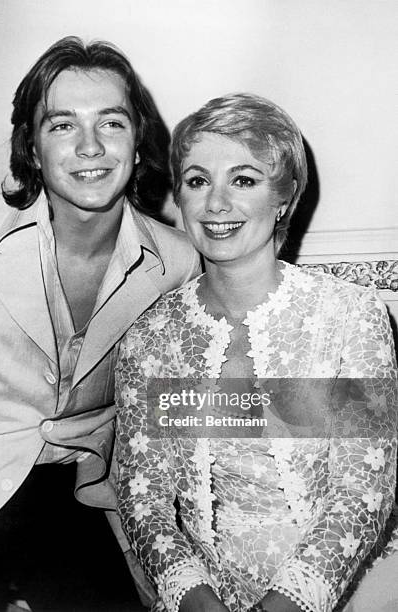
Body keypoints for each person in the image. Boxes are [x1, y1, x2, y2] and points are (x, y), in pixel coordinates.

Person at [0, 37, 199, 609]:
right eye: (62, 124)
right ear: (33, 148)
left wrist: (138, 542)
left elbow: (163, 411)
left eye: (112, 123)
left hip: (75, 494)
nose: (90, 146)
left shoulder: (178, 263)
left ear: (139, 143)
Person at [115, 93, 397, 612]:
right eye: (198, 181)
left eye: (243, 180)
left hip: (341, 582)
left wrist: (284, 604)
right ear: (178, 196)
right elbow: (143, 495)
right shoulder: (149, 339)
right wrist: (193, 595)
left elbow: (363, 492)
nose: (216, 204)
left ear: (284, 197)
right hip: (203, 591)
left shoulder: (350, 317)